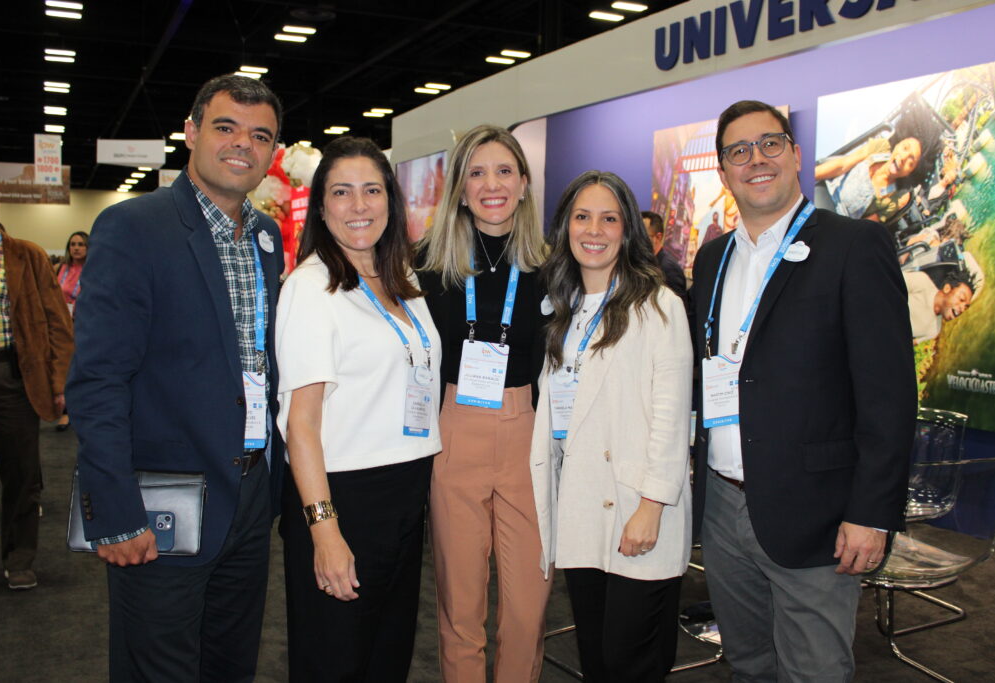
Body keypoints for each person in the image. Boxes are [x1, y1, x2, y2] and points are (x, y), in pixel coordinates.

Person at [66, 74, 285, 681]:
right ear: (190, 132)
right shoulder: (134, 227)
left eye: (259, 135)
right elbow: (99, 380)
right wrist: (116, 511)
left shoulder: (267, 237)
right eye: (225, 127)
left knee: (229, 665)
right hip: (161, 503)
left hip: (248, 494)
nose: (242, 144)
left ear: (273, 154)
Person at [689, 100, 916, 681]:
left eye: (769, 144)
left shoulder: (854, 246)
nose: (755, 160)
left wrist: (872, 512)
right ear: (723, 171)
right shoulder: (712, 258)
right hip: (722, 505)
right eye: (738, 151)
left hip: (817, 512)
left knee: (814, 670)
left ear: (794, 153)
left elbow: (888, 396)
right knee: (747, 664)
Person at [275, 137, 442, 682]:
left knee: (385, 657)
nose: (359, 205)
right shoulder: (310, 288)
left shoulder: (404, 281)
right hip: (343, 499)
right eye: (341, 192)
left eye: (372, 190)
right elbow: (301, 425)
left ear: (391, 202)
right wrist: (325, 533)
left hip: (403, 496)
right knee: (335, 661)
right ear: (320, 207)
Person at [532, 171, 693, 682]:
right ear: (565, 228)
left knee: (633, 663)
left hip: (635, 510)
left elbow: (671, 417)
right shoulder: (564, 308)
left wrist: (651, 507)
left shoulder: (659, 305)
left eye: (609, 218)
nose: (594, 229)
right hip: (581, 506)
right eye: (582, 217)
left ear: (628, 231)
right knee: (598, 660)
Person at [416, 124, 551, 683]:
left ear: (523, 184)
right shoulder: (424, 265)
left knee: (527, 610)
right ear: (460, 188)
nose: (491, 185)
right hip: (454, 432)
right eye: (476, 172)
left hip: (528, 434)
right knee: (461, 607)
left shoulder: (554, 266)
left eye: (503, 171)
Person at [0, 181, 73, 590]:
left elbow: (58, 321)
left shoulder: (27, 255)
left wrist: (59, 382)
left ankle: (19, 559)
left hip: (11, 375)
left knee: (21, 474)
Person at [815, 135, 922, 222]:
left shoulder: (893, 200)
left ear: (909, 173)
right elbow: (842, 165)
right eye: (905, 148)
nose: (903, 158)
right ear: (898, 145)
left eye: (911, 162)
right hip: (827, 192)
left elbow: (864, 225)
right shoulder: (879, 148)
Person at [54, 230, 88, 431]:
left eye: (81, 244)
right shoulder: (60, 268)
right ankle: (65, 413)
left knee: (80, 368)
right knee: (65, 367)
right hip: (62, 325)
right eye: (73, 244)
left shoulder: (93, 268)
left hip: (83, 325)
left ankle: (80, 408)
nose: (76, 248)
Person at [904, 268, 978, 343]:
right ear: (947, 288)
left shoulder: (934, 329)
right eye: (961, 299)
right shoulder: (922, 281)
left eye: (966, 307)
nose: (962, 309)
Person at [641, 210, 687, 297]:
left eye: (642, 236)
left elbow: (677, 308)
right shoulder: (641, 264)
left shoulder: (669, 269)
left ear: (658, 237)